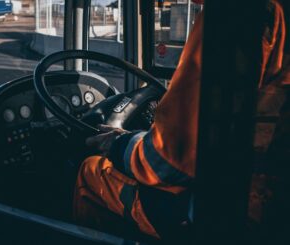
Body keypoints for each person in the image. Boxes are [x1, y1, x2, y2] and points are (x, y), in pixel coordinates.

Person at [73, 0, 288, 239]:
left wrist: (119, 144)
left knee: (91, 171)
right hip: (270, 206)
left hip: (224, 213)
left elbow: (167, 163)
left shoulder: (234, 13)